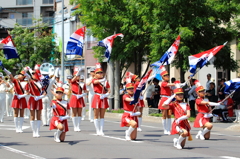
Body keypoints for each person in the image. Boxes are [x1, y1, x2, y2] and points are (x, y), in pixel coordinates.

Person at [2, 68, 27, 133]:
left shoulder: (26, 83)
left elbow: (28, 92)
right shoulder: (16, 81)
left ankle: (20, 127)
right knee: (16, 113)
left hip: (22, 98)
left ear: (24, 76)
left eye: (21, 74)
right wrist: (5, 69)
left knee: (21, 113)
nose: (19, 75)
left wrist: (22, 96)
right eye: (19, 74)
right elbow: (10, 75)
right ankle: (17, 127)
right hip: (16, 97)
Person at [25, 67, 46, 138]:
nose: (33, 75)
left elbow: (45, 93)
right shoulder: (30, 82)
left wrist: (40, 97)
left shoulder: (41, 83)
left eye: (34, 73)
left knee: (38, 116)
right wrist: (26, 71)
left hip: (38, 99)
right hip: (32, 98)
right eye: (32, 74)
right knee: (32, 116)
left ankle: (37, 131)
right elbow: (27, 91)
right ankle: (34, 131)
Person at [92, 68, 110, 136]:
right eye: (98, 73)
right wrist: (103, 80)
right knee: (96, 115)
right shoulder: (94, 80)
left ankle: (101, 130)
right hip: (97, 97)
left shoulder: (105, 81)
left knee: (102, 115)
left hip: (103, 97)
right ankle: (97, 130)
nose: (100, 74)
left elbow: (109, 90)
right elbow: (95, 82)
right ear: (95, 74)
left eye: (101, 73)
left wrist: (106, 94)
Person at [158, 70, 176, 135]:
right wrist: (175, 84)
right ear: (163, 77)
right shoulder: (163, 83)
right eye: (165, 76)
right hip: (164, 99)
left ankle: (168, 129)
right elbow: (169, 84)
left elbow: (173, 89)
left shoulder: (169, 84)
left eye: (168, 75)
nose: (167, 76)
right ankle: (165, 129)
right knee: (164, 115)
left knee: (169, 115)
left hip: (169, 99)